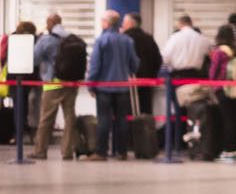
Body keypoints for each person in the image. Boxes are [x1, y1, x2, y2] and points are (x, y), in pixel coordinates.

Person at [87, 10, 141, 161]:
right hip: (123, 88)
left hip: (104, 88)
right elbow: (135, 64)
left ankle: (101, 152)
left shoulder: (101, 41)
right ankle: (121, 152)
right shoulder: (127, 41)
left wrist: (91, 85)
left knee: (104, 120)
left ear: (105, 23)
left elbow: (95, 65)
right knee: (122, 120)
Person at [31, 14, 81, 160]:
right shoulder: (72, 37)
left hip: (53, 83)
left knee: (46, 117)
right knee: (70, 117)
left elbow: (34, 60)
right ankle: (67, 152)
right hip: (71, 82)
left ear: (50, 23)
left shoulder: (46, 39)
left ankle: (40, 150)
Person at [209, 25, 236, 162]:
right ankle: (233, 149)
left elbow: (213, 72)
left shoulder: (220, 52)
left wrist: (212, 86)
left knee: (226, 120)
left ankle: (227, 151)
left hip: (224, 90)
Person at [5, 22, 40, 145]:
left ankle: (19, 134)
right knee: (23, 107)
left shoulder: (13, 38)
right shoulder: (33, 40)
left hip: (15, 78)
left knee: (19, 107)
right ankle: (21, 134)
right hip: (26, 79)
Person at [122, 13, 162, 119]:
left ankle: (131, 135)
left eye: (124, 23)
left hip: (129, 82)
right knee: (146, 111)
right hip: (147, 81)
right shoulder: (149, 38)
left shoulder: (124, 39)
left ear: (129, 24)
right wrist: (152, 75)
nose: (122, 25)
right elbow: (158, 59)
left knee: (129, 112)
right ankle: (145, 134)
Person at [163, 15, 209, 80]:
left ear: (180, 25)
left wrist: (171, 67)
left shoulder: (174, 38)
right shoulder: (202, 39)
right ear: (192, 24)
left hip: (177, 76)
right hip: (196, 76)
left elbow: (166, 56)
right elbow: (207, 55)